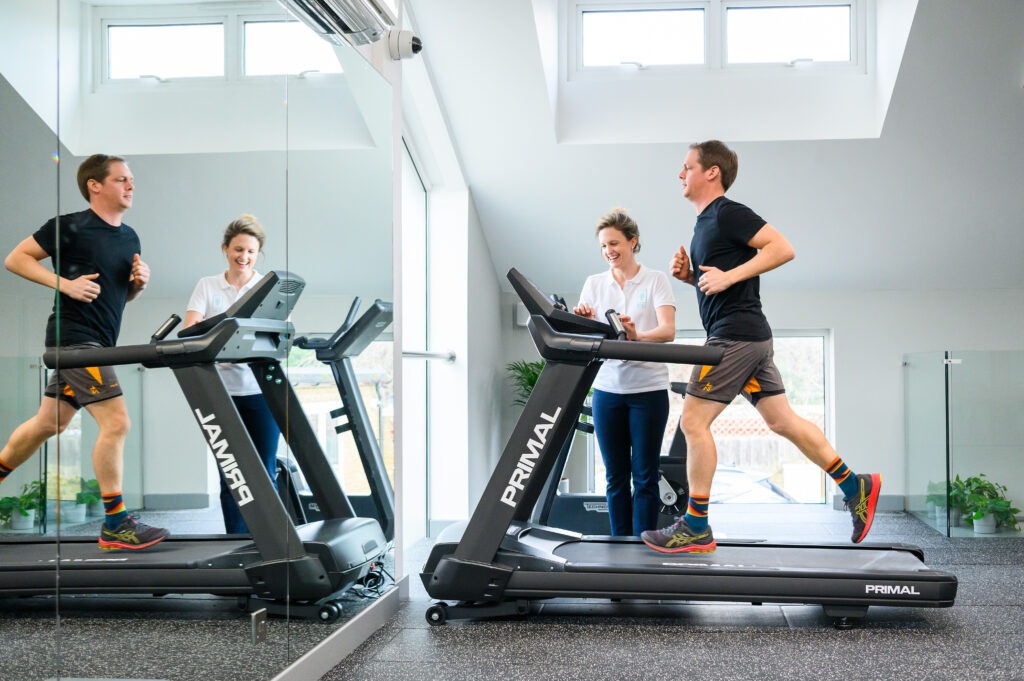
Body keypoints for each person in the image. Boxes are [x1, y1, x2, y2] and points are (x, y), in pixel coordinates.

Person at [641, 140, 881, 554]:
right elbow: (718, 281)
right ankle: (854, 484)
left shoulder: (727, 212)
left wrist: (729, 277)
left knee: (693, 422)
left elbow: (782, 248)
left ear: (711, 172)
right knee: (781, 420)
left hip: (734, 336)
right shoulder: (704, 225)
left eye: (686, 167)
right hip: (749, 334)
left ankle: (696, 525)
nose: (680, 174)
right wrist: (690, 277)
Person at [0, 154, 169, 551]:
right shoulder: (69, 227)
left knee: (49, 423)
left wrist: (138, 286)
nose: (131, 186)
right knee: (117, 423)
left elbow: (117, 297)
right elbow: (15, 259)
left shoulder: (130, 238)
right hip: (74, 340)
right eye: (122, 179)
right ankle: (115, 522)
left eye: (132, 180)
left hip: (99, 343)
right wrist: (65, 284)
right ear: (96, 185)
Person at [573, 209, 676, 536]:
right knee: (615, 475)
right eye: (603, 246)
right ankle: (619, 549)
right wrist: (585, 320)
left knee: (645, 475)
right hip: (607, 391)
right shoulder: (594, 284)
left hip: (648, 390)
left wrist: (637, 337)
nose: (608, 251)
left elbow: (668, 331)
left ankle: (643, 550)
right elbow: (587, 336)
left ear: (633, 241)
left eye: (614, 243)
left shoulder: (656, 279)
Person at [183, 214, 280, 534]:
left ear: (258, 254)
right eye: (238, 249)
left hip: (260, 390)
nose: (244, 257)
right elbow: (190, 329)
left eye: (251, 252)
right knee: (232, 471)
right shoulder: (208, 285)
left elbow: (280, 331)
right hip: (220, 392)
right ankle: (236, 540)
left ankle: (272, 538)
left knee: (265, 468)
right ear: (225, 248)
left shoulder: (267, 287)